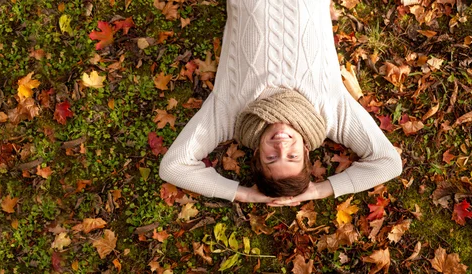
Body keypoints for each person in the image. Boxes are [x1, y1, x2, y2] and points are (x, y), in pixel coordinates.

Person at [158, 0, 402, 206]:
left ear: (256, 154)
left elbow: (174, 167)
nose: (281, 147)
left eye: (271, 158)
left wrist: (244, 194)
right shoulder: (331, 113)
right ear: (306, 151)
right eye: (293, 157)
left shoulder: (229, 115)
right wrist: (319, 190)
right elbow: (388, 163)